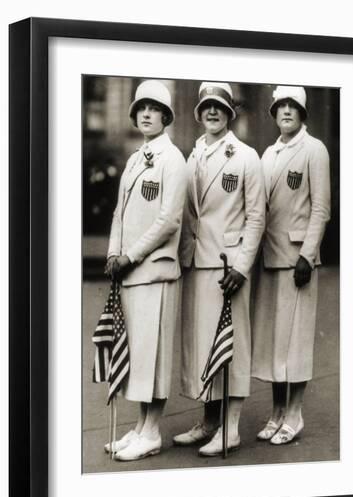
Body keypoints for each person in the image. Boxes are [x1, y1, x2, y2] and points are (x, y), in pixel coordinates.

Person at [173, 82, 265, 456]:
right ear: (199, 113)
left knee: (233, 345)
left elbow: (257, 217)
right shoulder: (192, 156)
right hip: (197, 261)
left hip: (228, 265)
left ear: (230, 113)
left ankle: (231, 428)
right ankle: (209, 421)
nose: (212, 112)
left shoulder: (245, 156)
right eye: (206, 106)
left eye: (220, 107)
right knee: (203, 347)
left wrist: (242, 267)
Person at [104, 80, 187, 461]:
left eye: (155, 109)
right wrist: (112, 253)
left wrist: (131, 255)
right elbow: (120, 213)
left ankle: (152, 431)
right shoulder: (137, 158)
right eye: (141, 108)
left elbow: (169, 219)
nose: (147, 114)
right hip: (130, 271)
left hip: (154, 269)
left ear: (166, 117)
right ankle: (140, 427)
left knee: (153, 353)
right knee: (138, 352)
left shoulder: (173, 159)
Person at [252, 85, 331, 445]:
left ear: (302, 113)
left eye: (292, 105)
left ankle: (295, 414)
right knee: (273, 342)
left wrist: (307, 254)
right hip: (269, 258)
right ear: (274, 112)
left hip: (297, 259)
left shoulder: (314, 149)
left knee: (295, 341)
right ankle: (277, 412)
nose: (286, 110)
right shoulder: (268, 154)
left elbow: (320, 207)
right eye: (280, 105)